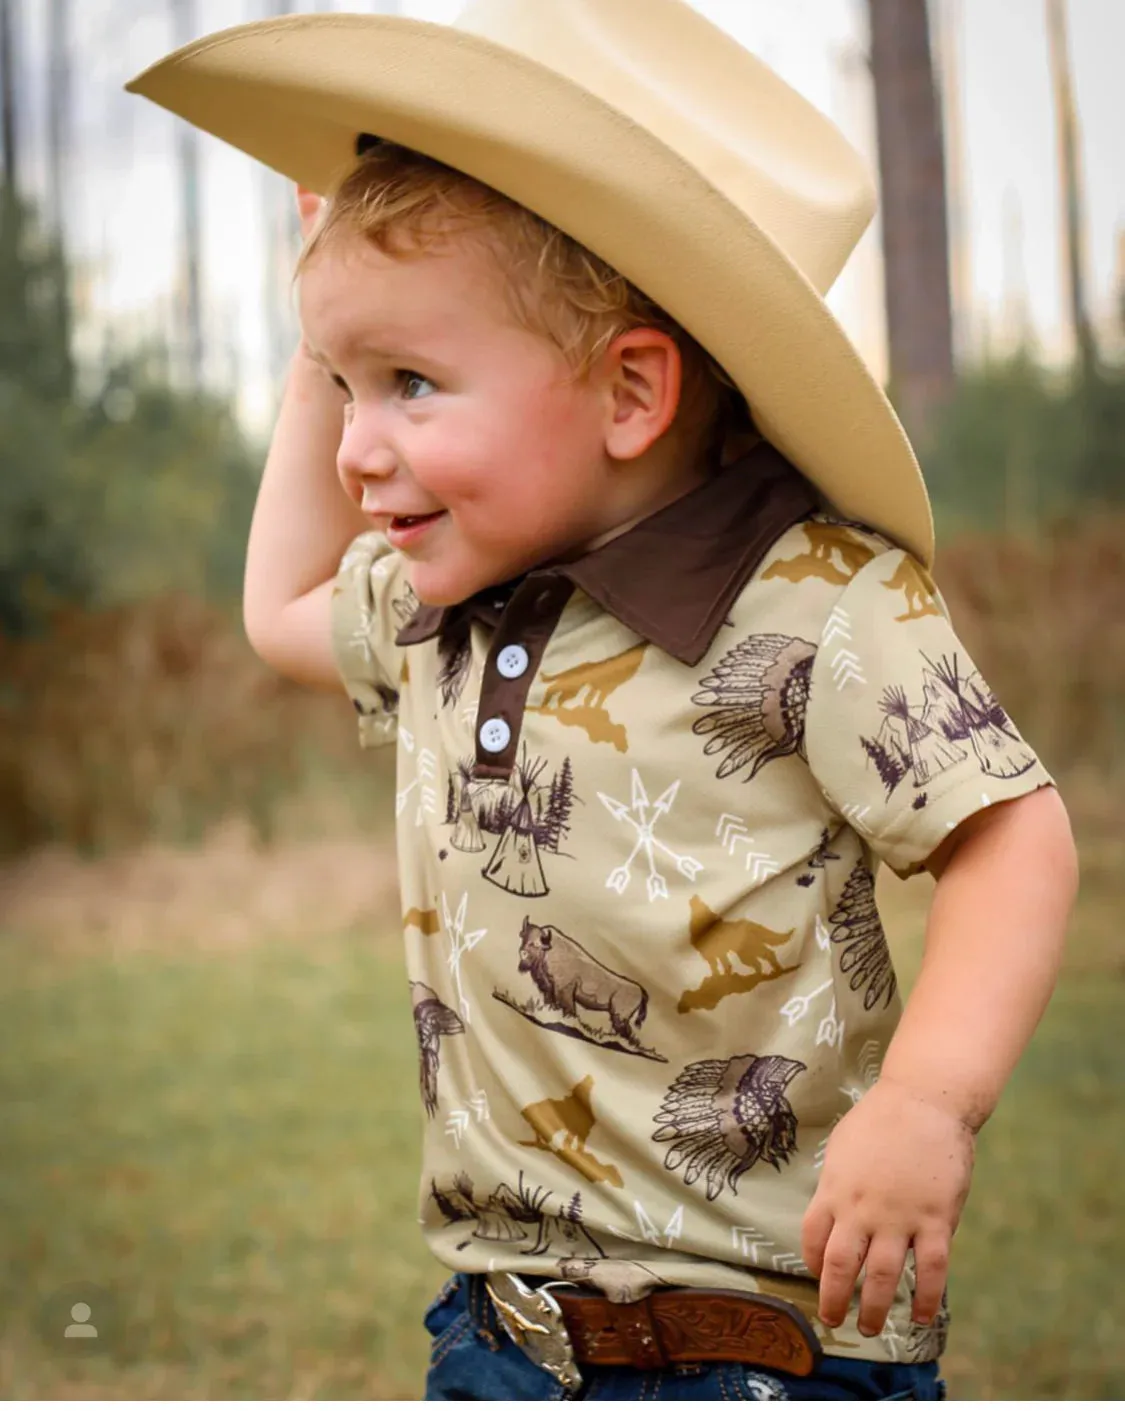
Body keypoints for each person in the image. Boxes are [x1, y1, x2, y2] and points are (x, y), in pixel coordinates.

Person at [127, 2, 1078, 1400]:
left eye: (408, 382)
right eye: (341, 387)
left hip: (764, 1356)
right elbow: (277, 615)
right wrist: (327, 331)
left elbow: (1015, 835)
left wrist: (932, 1102)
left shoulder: (818, 595)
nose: (353, 448)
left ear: (631, 391)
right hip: (498, 1337)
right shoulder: (448, 591)